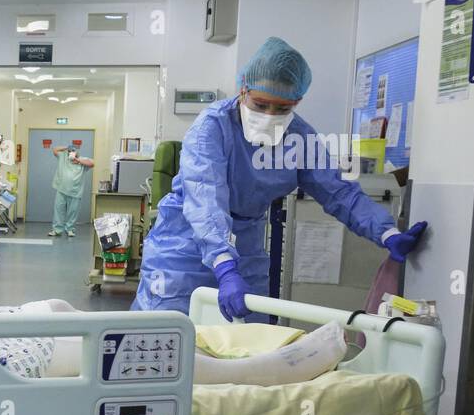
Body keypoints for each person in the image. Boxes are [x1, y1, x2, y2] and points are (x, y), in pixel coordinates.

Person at [133, 37, 426, 321]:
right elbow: (206, 198)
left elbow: (338, 192)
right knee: (167, 335)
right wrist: (223, 265)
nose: (270, 115)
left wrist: (386, 233)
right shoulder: (212, 127)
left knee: (248, 344)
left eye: (283, 108)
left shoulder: (299, 137)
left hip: (247, 248)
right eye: (260, 104)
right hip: (184, 247)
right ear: (242, 90)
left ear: (297, 102)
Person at [48, 143, 93, 238]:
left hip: (75, 192)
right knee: (59, 211)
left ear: (77, 152)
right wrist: (66, 147)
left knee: (73, 212)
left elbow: (92, 163)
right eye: (70, 151)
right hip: (61, 189)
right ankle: (57, 230)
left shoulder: (82, 160)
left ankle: (70, 230)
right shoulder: (63, 157)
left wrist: (78, 160)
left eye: (73, 151)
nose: (71, 153)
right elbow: (55, 149)